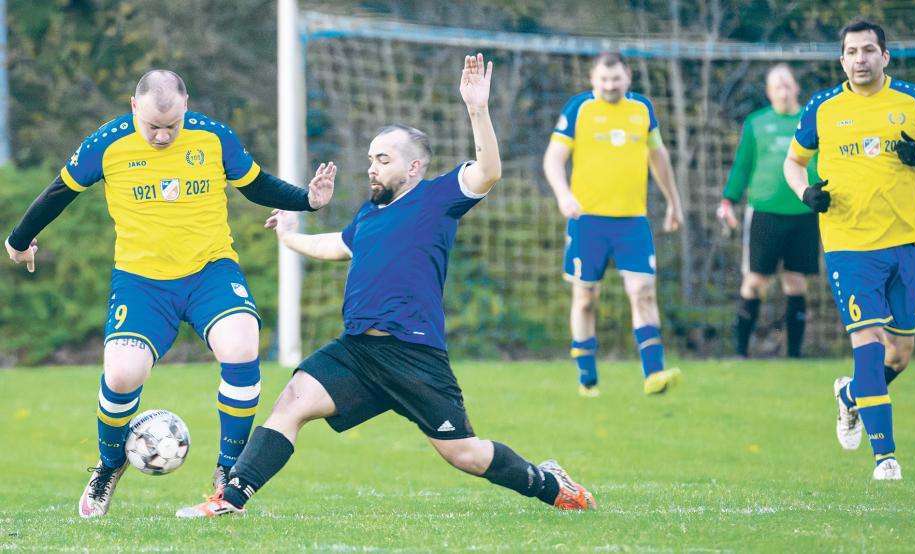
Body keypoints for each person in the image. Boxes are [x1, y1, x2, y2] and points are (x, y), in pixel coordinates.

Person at [176, 54, 596, 518]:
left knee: (465, 454)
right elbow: (338, 245)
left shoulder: (439, 197)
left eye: (382, 159)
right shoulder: (368, 216)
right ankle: (231, 499)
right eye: (370, 159)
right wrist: (291, 238)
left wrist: (477, 109)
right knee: (291, 401)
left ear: (414, 166)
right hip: (356, 351)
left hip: (414, 356)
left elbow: (488, 171)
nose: (371, 167)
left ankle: (551, 485)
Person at [4, 69, 334, 517]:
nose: (162, 136)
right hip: (141, 281)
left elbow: (255, 184)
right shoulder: (108, 142)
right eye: (153, 127)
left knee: (240, 345)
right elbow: (60, 191)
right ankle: (108, 464)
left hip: (209, 270)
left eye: (172, 126)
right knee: (122, 375)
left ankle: (228, 471)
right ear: (133, 107)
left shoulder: (214, 137)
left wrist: (307, 200)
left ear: (186, 107)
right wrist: (19, 241)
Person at [783, 20, 915, 480]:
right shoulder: (822, 107)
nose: (860, 59)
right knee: (867, 341)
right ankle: (886, 459)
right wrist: (805, 193)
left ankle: (850, 397)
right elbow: (793, 162)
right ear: (841, 60)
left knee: (899, 354)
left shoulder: (914, 101)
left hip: (904, 242)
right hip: (848, 244)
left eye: (868, 50)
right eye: (851, 52)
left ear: (885, 57)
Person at [543, 51, 684, 397]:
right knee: (586, 298)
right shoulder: (579, 108)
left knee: (643, 292)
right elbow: (553, 158)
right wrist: (563, 195)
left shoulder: (642, 110)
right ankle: (587, 375)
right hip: (586, 221)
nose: (609, 85)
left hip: (632, 222)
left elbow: (658, 156)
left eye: (616, 79)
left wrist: (673, 202)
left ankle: (654, 374)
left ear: (628, 77)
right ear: (593, 79)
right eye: (603, 80)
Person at [717, 64, 821, 358]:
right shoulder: (756, 123)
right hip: (765, 212)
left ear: (796, 88)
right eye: (777, 86)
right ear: (769, 92)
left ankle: (795, 356)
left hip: (803, 213)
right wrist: (728, 200)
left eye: (788, 85)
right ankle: (740, 352)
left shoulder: (811, 120)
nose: (784, 92)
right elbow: (742, 166)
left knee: (796, 281)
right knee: (755, 280)